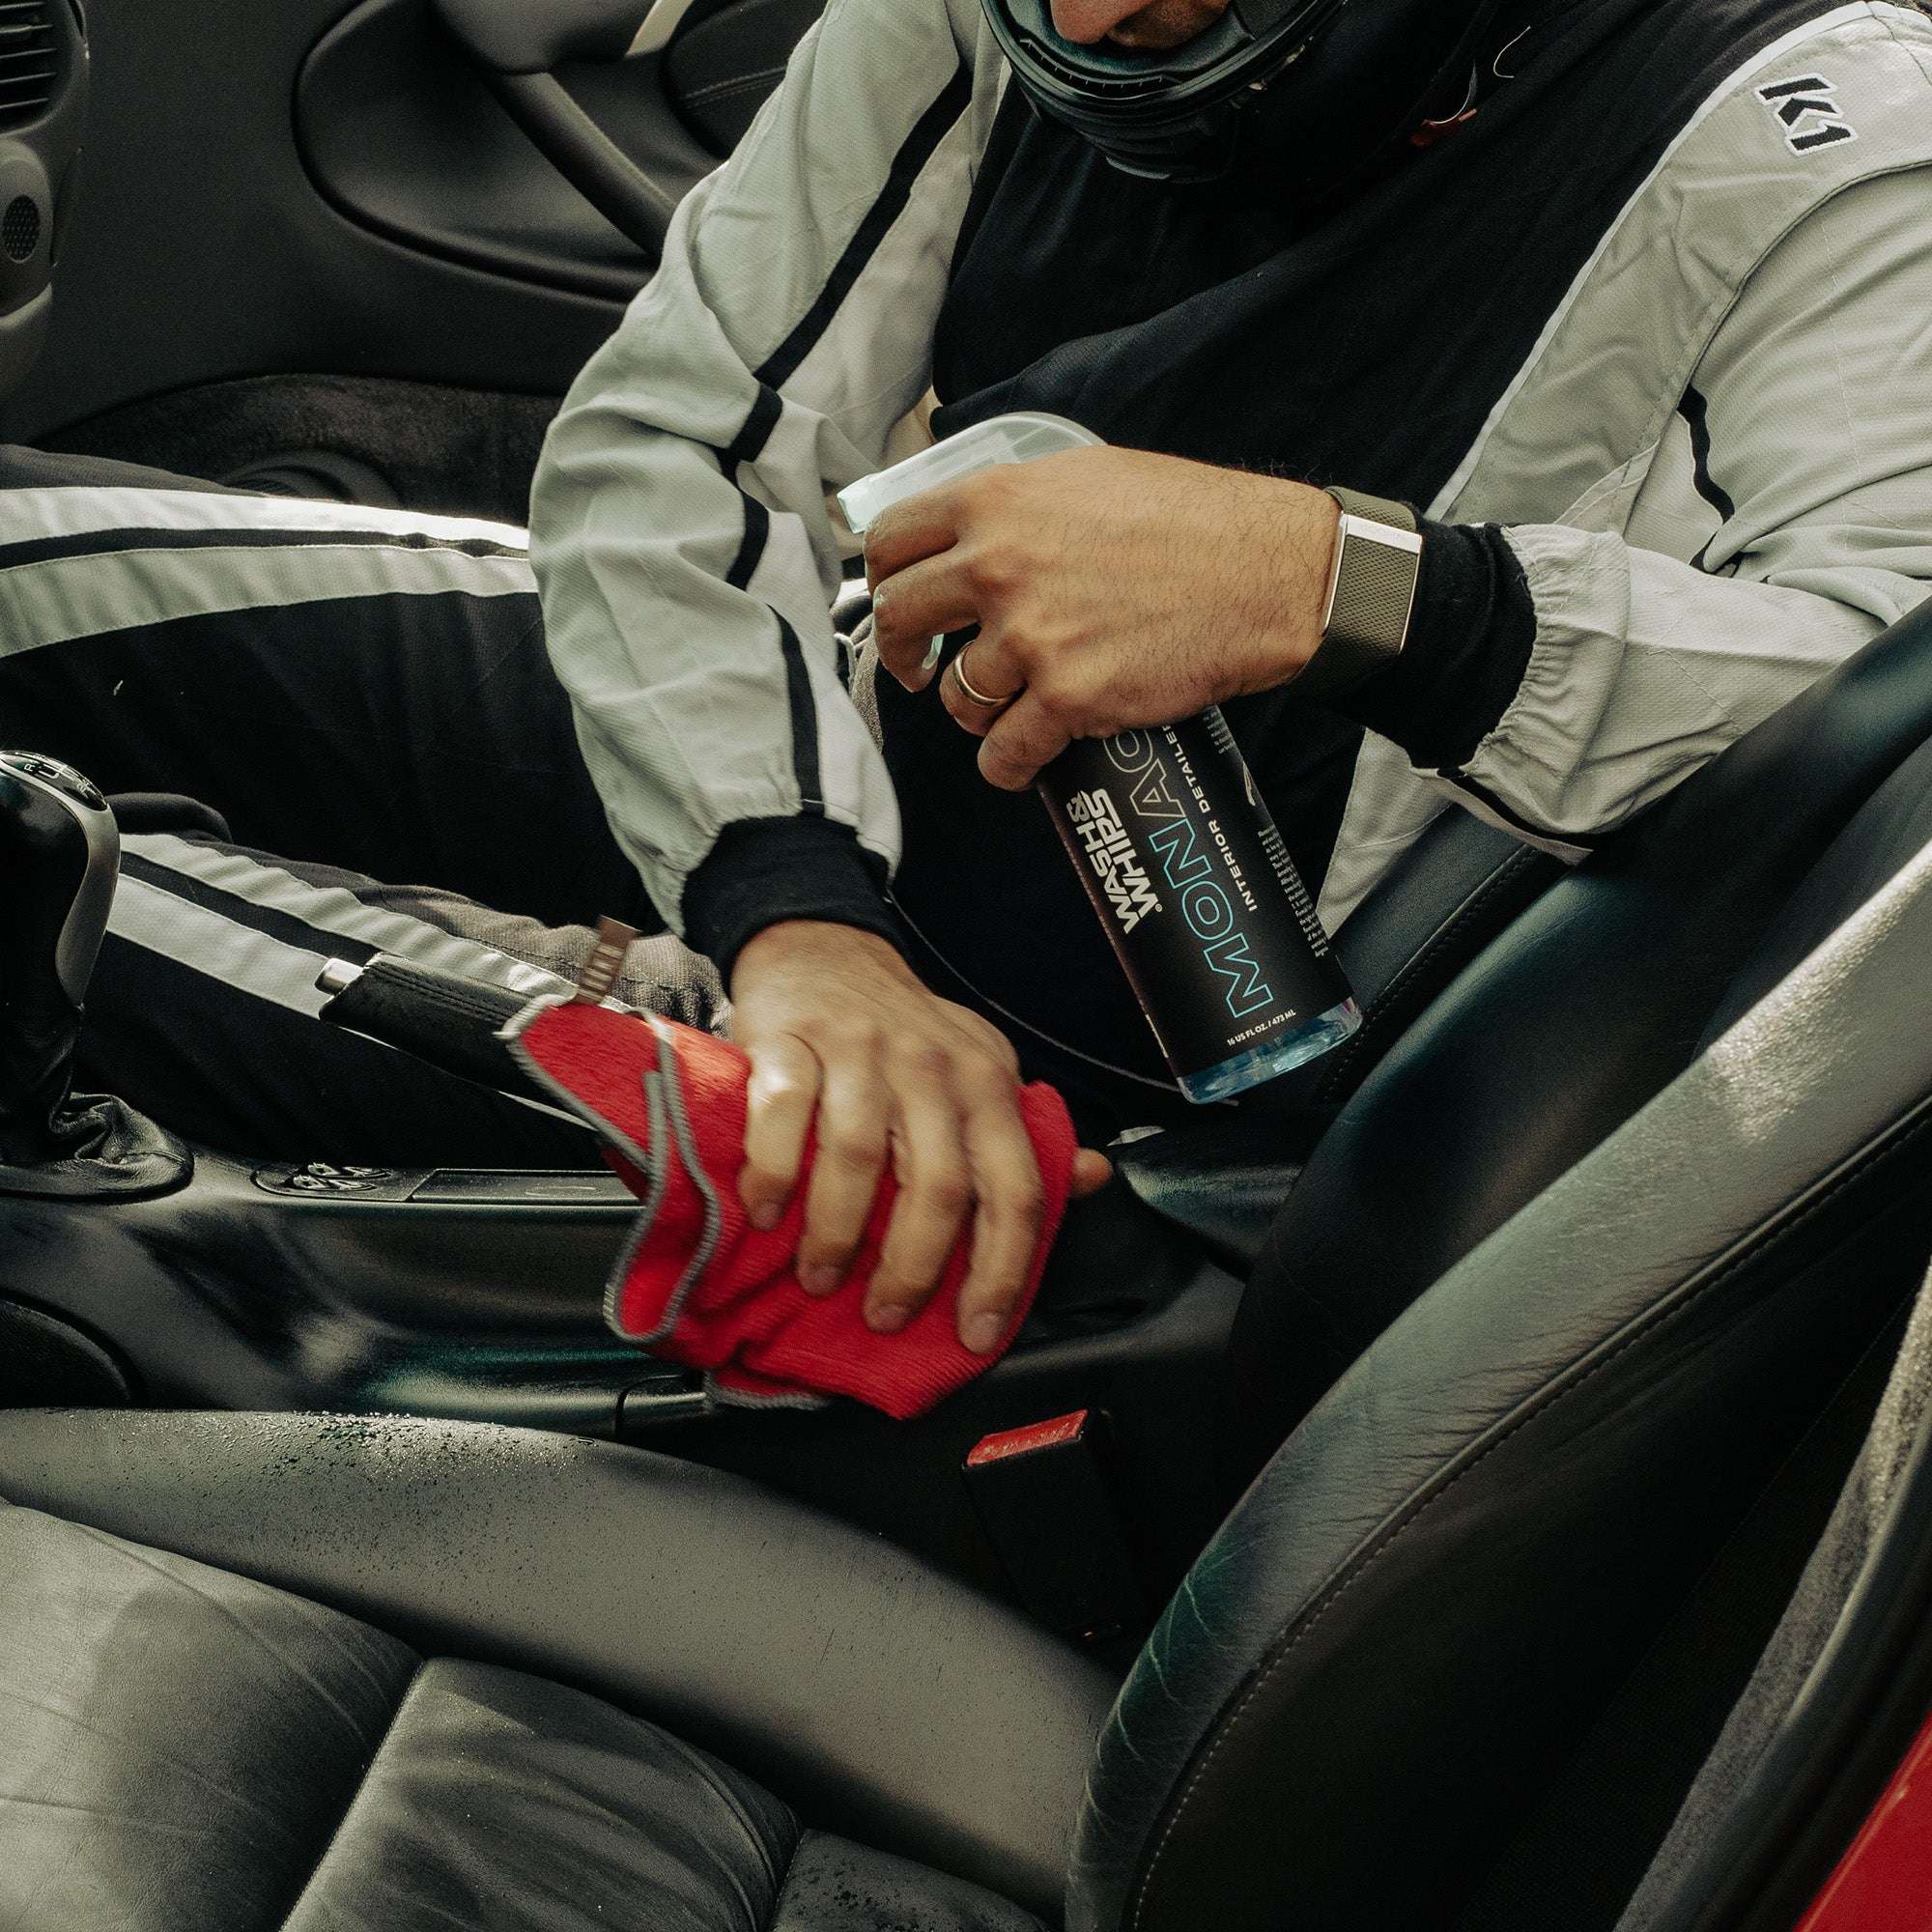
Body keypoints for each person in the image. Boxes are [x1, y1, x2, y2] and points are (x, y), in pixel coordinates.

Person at [5, 0, 1931, 1355]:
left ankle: (627, 1016)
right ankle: (666, 978)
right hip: (861, 759)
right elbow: (675, 449)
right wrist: (797, 915)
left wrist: (1350, 587)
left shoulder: (1808, 121)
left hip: (1175, 1101)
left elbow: (1881, 729)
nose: (1092, 12)